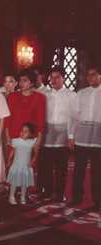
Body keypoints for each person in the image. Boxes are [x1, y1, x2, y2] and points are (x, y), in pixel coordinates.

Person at [37, 67, 77, 201]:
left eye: (57, 77)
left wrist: (71, 136)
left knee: (61, 166)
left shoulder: (71, 95)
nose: (53, 80)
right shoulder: (45, 95)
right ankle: (47, 191)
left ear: (63, 78)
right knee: (46, 165)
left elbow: (74, 118)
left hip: (62, 133)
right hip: (47, 132)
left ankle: (59, 193)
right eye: (51, 77)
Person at [71, 65, 101, 209]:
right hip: (81, 138)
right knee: (78, 170)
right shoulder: (81, 93)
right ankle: (76, 197)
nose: (90, 77)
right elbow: (75, 116)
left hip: (98, 140)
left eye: (93, 74)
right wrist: (71, 135)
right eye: (88, 75)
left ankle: (98, 201)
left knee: (98, 172)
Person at [5, 68, 46, 151]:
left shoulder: (40, 98)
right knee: (12, 163)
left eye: (25, 80)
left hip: (31, 138)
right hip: (14, 137)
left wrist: (38, 141)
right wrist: (7, 137)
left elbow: (41, 122)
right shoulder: (12, 96)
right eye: (20, 80)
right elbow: (7, 120)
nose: (21, 83)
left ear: (32, 83)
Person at [7, 123, 38, 205]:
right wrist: (9, 160)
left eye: (26, 132)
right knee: (14, 182)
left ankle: (23, 196)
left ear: (30, 134)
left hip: (26, 166)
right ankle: (11, 196)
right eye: (22, 131)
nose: (22, 133)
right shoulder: (16, 141)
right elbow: (12, 151)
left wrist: (33, 160)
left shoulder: (32, 142)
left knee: (24, 183)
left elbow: (35, 153)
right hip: (16, 165)